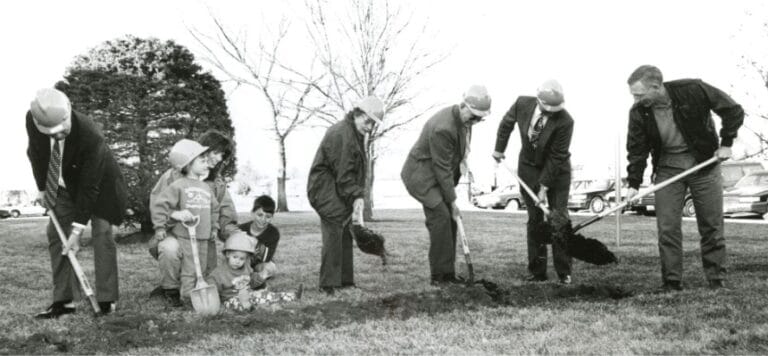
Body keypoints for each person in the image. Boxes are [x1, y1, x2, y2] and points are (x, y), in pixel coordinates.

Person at [624, 65, 743, 291]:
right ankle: (671, 282)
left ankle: (716, 279)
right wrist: (633, 183)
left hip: (703, 166)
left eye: (639, 94)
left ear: (656, 87)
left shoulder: (693, 89)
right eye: (633, 95)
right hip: (668, 169)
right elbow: (636, 148)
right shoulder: (638, 112)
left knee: (711, 226)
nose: (636, 99)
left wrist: (726, 143)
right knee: (667, 227)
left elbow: (733, 110)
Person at [25, 88, 128, 318]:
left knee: (102, 234)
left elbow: (90, 187)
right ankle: (64, 301)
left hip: (102, 186)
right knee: (56, 234)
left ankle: (106, 299)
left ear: (69, 111)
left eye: (62, 131)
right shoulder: (32, 120)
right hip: (63, 184)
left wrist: (78, 230)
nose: (58, 136)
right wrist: (43, 188)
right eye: (52, 133)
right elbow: (36, 153)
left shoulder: (90, 134)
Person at [401, 85, 491, 285]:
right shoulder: (444, 127)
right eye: (474, 116)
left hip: (436, 175)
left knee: (450, 219)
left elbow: (455, 160)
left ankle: (447, 273)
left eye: (480, 118)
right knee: (441, 217)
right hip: (421, 177)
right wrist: (452, 202)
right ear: (464, 105)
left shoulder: (462, 122)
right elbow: (442, 168)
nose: (476, 121)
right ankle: (439, 277)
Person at [492, 80, 575, 284]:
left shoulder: (566, 121)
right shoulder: (522, 103)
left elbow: (557, 156)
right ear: (538, 101)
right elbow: (506, 124)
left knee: (558, 218)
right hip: (529, 167)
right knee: (535, 219)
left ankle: (564, 272)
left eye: (553, 111)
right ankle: (537, 271)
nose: (549, 114)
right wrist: (498, 150)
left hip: (558, 170)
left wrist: (544, 187)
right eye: (546, 110)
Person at [307, 96, 385, 295]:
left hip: (337, 189)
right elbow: (344, 174)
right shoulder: (342, 133)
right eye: (367, 121)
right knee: (334, 232)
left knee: (345, 233)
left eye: (372, 124)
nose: (369, 127)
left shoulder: (353, 133)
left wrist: (356, 196)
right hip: (324, 190)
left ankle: (346, 283)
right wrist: (357, 196)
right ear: (357, 114)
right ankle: (329, 285)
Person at [148, 130, 237, 302]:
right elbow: (157, 204)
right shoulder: (173, 176)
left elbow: (226, 216)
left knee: (206, 273)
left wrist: (237, 239)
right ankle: (170, 289)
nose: (219, 159)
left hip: (203, 238)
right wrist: (175, 214)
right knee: (170, 249)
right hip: (175, 233)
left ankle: (189, 289)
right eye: (217, 153)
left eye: (223, 155)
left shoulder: (217, 184)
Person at [205, 231, 301, 312]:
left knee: (263, 294)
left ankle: (291, 296)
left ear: (246, 259)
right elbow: (211, 287)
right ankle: (255, 308)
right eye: (235, 257)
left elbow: (251, 281)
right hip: (231, 299)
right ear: (227, 254)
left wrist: (260, 277)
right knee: (237, 304)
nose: (238, 261)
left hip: (249, 295)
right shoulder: (219, 273)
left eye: (242, 259)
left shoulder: (245, 267)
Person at [236, 195, 280, 288]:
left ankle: (256, 282)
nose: (263, 219)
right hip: (240, 263)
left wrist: (254, 243)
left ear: (272, 217)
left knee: (270, 268)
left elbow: (265, 259)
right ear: (252, 213)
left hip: (259, 264)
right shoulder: (241, 229)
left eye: (268, 216)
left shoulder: (273, 232)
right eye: (260, 215)